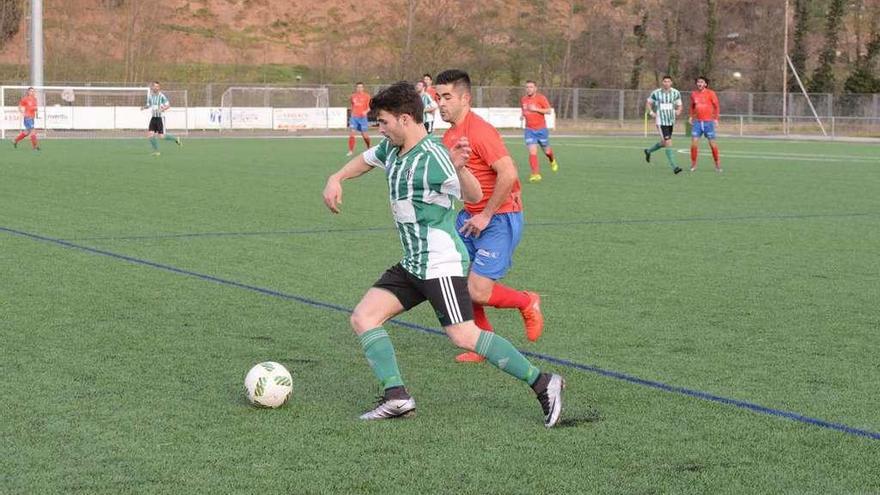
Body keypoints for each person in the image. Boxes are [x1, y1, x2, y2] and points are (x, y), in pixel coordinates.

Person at [321, 81, 565, 427]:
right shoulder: (392, 149)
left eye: (384, 122)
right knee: (364, 317)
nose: (381, 129)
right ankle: (396, 397)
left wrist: (460, 167)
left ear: (405, 119)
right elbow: (366, 160)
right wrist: (337, 177)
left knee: (464, 335)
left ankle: (544, 383)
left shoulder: (435, 156)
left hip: (440, 264)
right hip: (413, 263)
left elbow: (474, 192)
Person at [435, 69, 544, 363]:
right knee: (457, 280)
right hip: (470, 216)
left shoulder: (479, 130)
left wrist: (485, 214)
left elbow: (508, 173)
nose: (441, 103)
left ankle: (527, 301)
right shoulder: (449, 135)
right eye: (438, 97)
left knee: (478, 291)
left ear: (465, 98)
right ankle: (482, 345)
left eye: (447, 97)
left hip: (499, 217)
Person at [643, 76, 683, 174]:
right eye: (665, 81)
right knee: (668, 142)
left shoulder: (676, 93)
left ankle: (648, 151)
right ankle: (675, 167)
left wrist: (678, 110)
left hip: (670, 121)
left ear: (671, 83)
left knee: (664, 142)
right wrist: (651, 113)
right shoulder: (656, 93)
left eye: (668, 81)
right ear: (662, 83)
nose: (666, 83)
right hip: (661, 121)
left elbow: (679, 104)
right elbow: (648, 103)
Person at [520, 80, 559, 183]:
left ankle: (552, 160)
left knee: (547, 151)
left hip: (541, 129)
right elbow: (524, 109)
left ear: (535, 88)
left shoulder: (541, 98)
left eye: (531, 87)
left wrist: (536, 109)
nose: (529, 89)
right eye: (527, 87)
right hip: (529, 130)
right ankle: (535, 174)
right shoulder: (523, 99)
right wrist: (522, 115)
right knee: (532, 151)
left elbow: (549, 111)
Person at [688, 76, 722, 173]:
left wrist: (715, 119)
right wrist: (691, 116)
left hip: (708, 122)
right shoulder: (694, 94)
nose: (699, 84)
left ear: (705, 84)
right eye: (698, 82)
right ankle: (693, 164)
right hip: (697, 122)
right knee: (694, 143)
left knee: (712, 144)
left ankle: (717, 164)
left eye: (701, 82)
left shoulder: (711, 93)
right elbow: (692, 106)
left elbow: (716, 107)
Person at [141, 81, 181, 156]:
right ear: (152, 87)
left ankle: (176, 139)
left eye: (157, 86)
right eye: (154, 86)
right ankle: (156, 151)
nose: (156, 88)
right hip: (153, 118)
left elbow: (168, 105)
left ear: (159, 88)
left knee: (161, 136)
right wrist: (144, 107)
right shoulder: (150, 96)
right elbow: (149, 105)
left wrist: (162, 109)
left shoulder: (161, 96)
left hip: (159, 118)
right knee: (150, 135)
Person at [347, 82, 372, 156]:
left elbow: (370, 107)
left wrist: (365, 111)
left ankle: (369, 147)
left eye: (361, 87)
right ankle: (351, 151)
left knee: (365, 136)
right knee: (352, 133)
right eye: (358, 87)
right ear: (356, 88)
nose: (359, 88)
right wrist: (352, 113)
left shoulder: (367, 96)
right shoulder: (353, 96)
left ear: (363, 88)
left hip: (363, 118)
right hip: (354, 117)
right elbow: (352, 105)